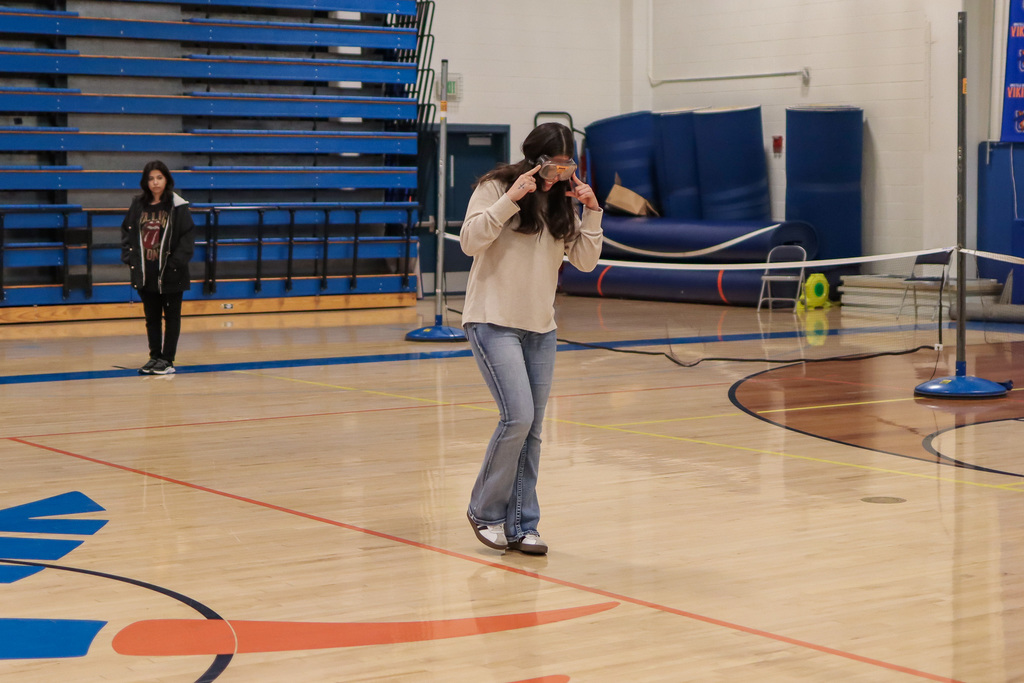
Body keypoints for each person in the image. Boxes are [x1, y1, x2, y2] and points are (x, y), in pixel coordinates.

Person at [460, 122, 604, 555]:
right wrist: (510, 199)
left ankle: (522, 524)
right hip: (492, 319)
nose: (560, 174)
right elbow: (470, 241)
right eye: (554, 165)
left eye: (567, 166)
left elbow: (585, 261)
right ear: (535, 159)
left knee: (534, 430)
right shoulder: (496, 187)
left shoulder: (563, 204)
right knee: (517, 417)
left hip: (541, 327)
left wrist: (592, 211)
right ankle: (484, 512)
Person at [120, 160, 195, 375]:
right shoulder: (137, 205)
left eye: (159, 178)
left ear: (166, 180)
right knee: (151, 319)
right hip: (146, 272)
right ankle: (154, 357)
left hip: (171, 273)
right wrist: (130, 258)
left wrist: (174, 264)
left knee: (171, 318)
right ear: (145, 181)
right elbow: (127, 232)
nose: (155, 182)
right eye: (151, 178)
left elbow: (187, 238)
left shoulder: (177, 206)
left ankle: (167, 360)